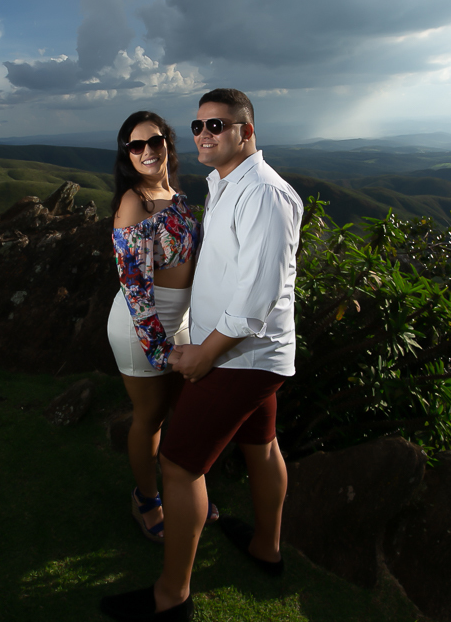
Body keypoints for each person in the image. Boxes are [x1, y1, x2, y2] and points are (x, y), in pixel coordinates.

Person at [100, 89, 302, 622]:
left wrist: (202, 354)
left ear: (246, 131)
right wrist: (170, 345)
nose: (205, 134)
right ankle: (265, 546)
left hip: (236, 353)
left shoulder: (261, 194)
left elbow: (256, 299)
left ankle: (171, 596)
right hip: (208, 342)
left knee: (180, 463)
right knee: (261, 443)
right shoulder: (222, 185)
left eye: (218, 125)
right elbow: (137, 282)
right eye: (199, 126)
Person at [106, 110, 217, 545]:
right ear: (128, 155)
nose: (148, 151)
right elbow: (133, 284)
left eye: (154, 141)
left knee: (185, 410)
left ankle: (184, 490)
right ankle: (146, 498)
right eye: (137, 146)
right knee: (150, 419)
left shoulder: (175, 195)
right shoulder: (134, 202)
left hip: (180, 321)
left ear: (167, 143)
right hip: (142, 326)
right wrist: (159, 347)